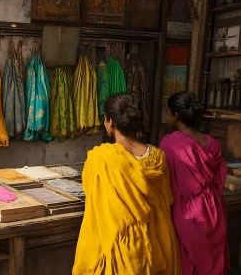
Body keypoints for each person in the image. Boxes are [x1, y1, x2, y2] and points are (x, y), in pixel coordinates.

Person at [73, 93, 181, 274]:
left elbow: (92, 193)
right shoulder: (157, 157)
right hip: (155, 245)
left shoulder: (99, 158)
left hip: (118, 250)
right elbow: (166, 200)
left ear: (110, 122)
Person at [160, 92, 229, 275]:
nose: (166, 117)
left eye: (167, 113)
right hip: (214, 210)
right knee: (212, 264)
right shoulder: (212, 143)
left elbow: (163, 184)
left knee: (189, 264)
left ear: (175, 115)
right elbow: (220, 178)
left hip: (187, 214)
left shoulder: (170, 144)